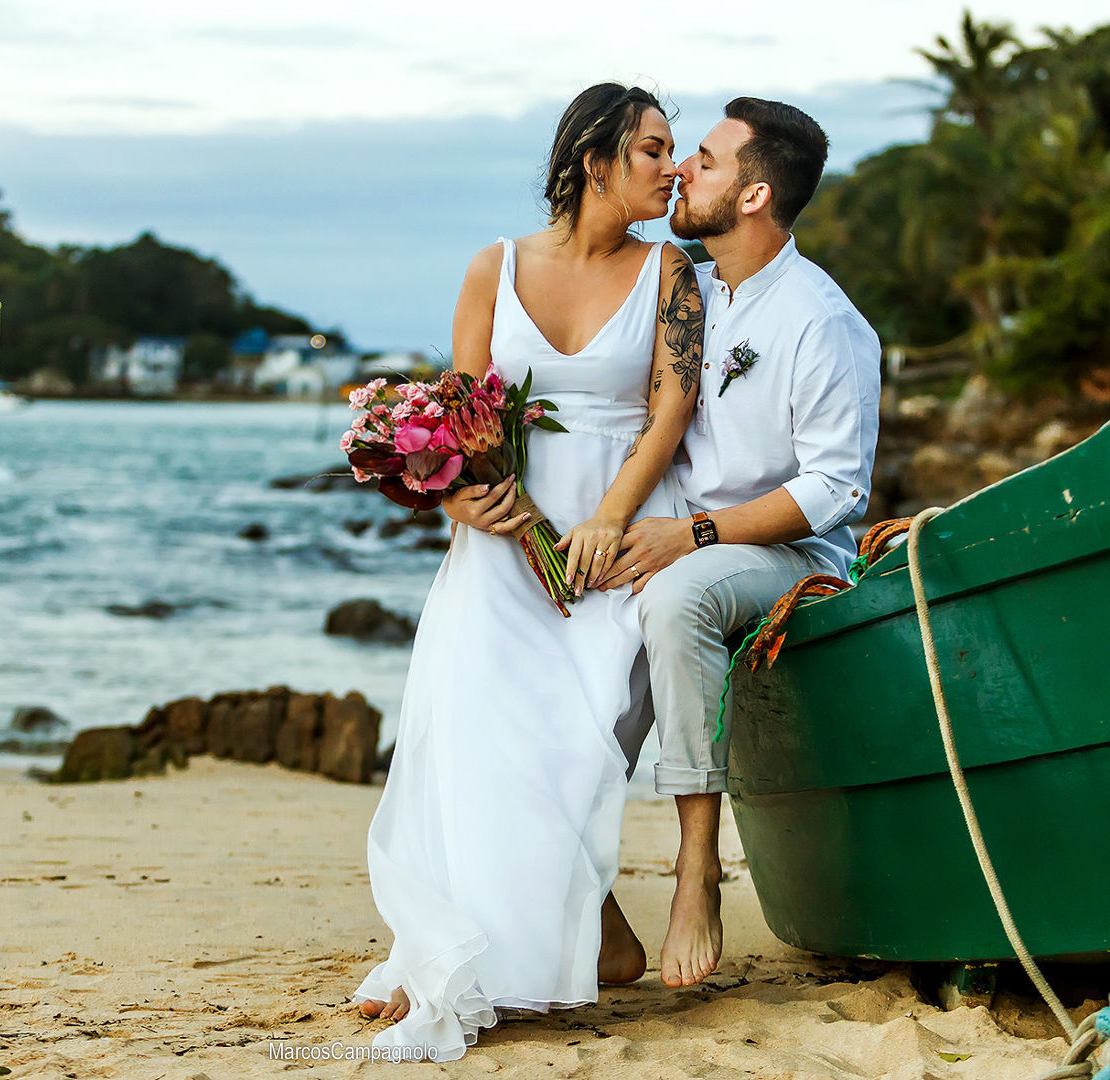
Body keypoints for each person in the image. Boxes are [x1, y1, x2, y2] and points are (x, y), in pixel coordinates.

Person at [351, 82, 705, 1063]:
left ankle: (562, 943)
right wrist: (462, 499)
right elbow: (460, 423)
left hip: (619, 532)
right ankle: (527, 954)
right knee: (476, 736)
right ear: (592, 163)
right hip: (503, 543)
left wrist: (605, 520)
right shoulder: (492, 268)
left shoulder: (671, 273)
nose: (668, 168)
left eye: (673, 150)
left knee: (575, 740)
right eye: (650, 149)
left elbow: (668, 414)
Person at [595, 97, 882, 989]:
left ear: (754, 195)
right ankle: (572, 890)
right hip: (678, 534)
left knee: (679, 595)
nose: (682, 169)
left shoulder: (821, 321)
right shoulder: (684, 286)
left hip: (788, 555)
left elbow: (837, 489)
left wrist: (691, 534)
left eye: (707, 161)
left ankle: (696, 871)